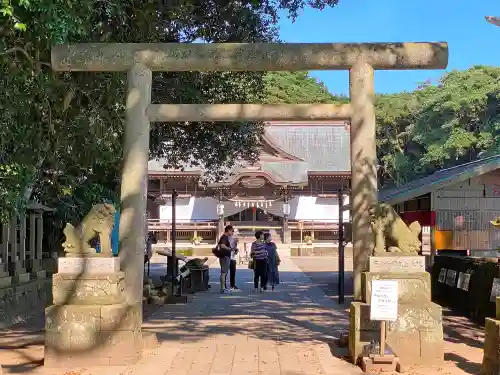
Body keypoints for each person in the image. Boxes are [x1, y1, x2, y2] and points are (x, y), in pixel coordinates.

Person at [218, 225, 234, 293]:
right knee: (224, 273)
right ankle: (223, 288)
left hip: (224, 256)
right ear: (229, 230)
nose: (232, 232)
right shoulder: (224, 237)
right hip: (224, 256)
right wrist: (229, 249)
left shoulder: (224, 237)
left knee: (224, 272)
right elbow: (222, 245)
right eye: (232, 231)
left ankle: (223, 288)